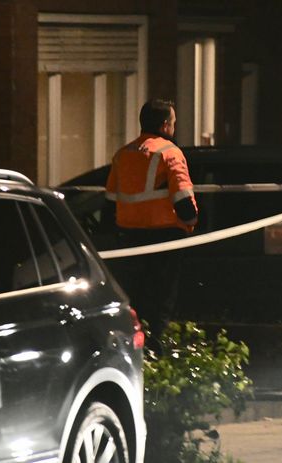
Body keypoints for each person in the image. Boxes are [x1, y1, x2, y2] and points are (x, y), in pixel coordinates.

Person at [105, 99, 198, 338]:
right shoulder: (170, 153)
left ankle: (136, 345)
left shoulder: (122, 155)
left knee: (136, 298)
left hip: (129, 237)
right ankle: (157, 349)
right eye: (174, 123)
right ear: (165, 125)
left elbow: (110, 199)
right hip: (165, 237)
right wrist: (189, 223)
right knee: (162, 300)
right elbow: (183, 199)